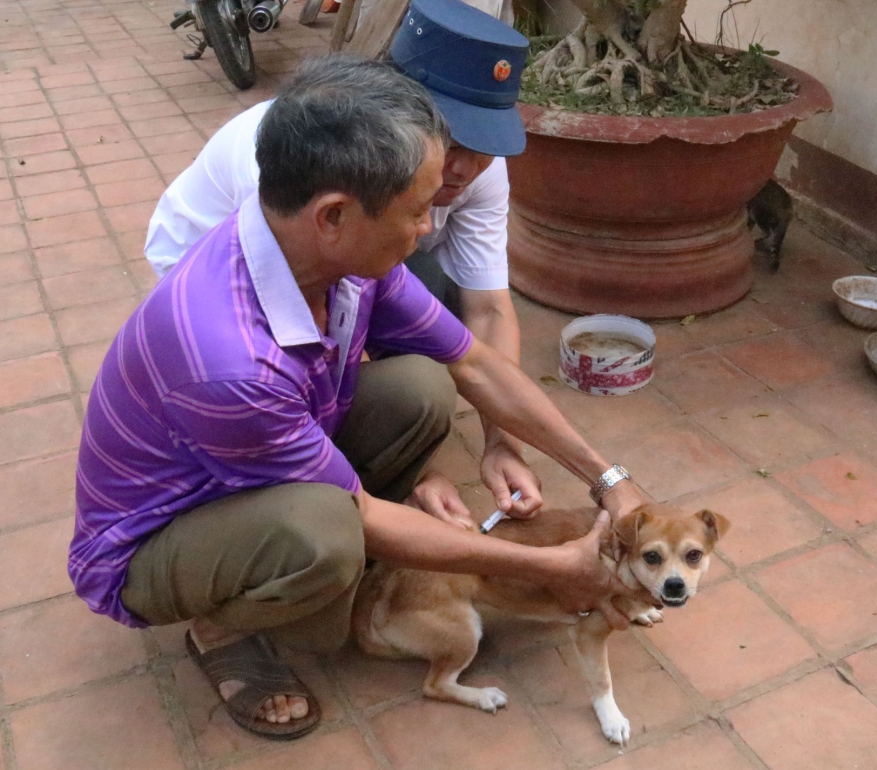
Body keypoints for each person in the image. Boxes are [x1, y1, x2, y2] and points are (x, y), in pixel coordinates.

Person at [70, 56, 645, 741]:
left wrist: (609, 479)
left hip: (249, 456)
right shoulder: (229, 362)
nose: (428, 229)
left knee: (422, 386)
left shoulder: (331, 258)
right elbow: (357, 514)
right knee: (328, 537)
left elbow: (474, 361)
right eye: (416, 211)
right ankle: (221, 628)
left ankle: (342, 533)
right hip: (153, 539)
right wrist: (548, 568)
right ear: (335, 215)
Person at [144, 0, 536, 530]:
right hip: (224, 280)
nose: (464, 167)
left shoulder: (472, 171)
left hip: (361, 254)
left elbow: (488, 308)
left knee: (434, 302)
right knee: (292, 435)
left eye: (485, 143)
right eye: (452, 139)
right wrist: (422, 470)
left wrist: (504, 442)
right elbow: (321, 322)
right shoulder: (295, 161)